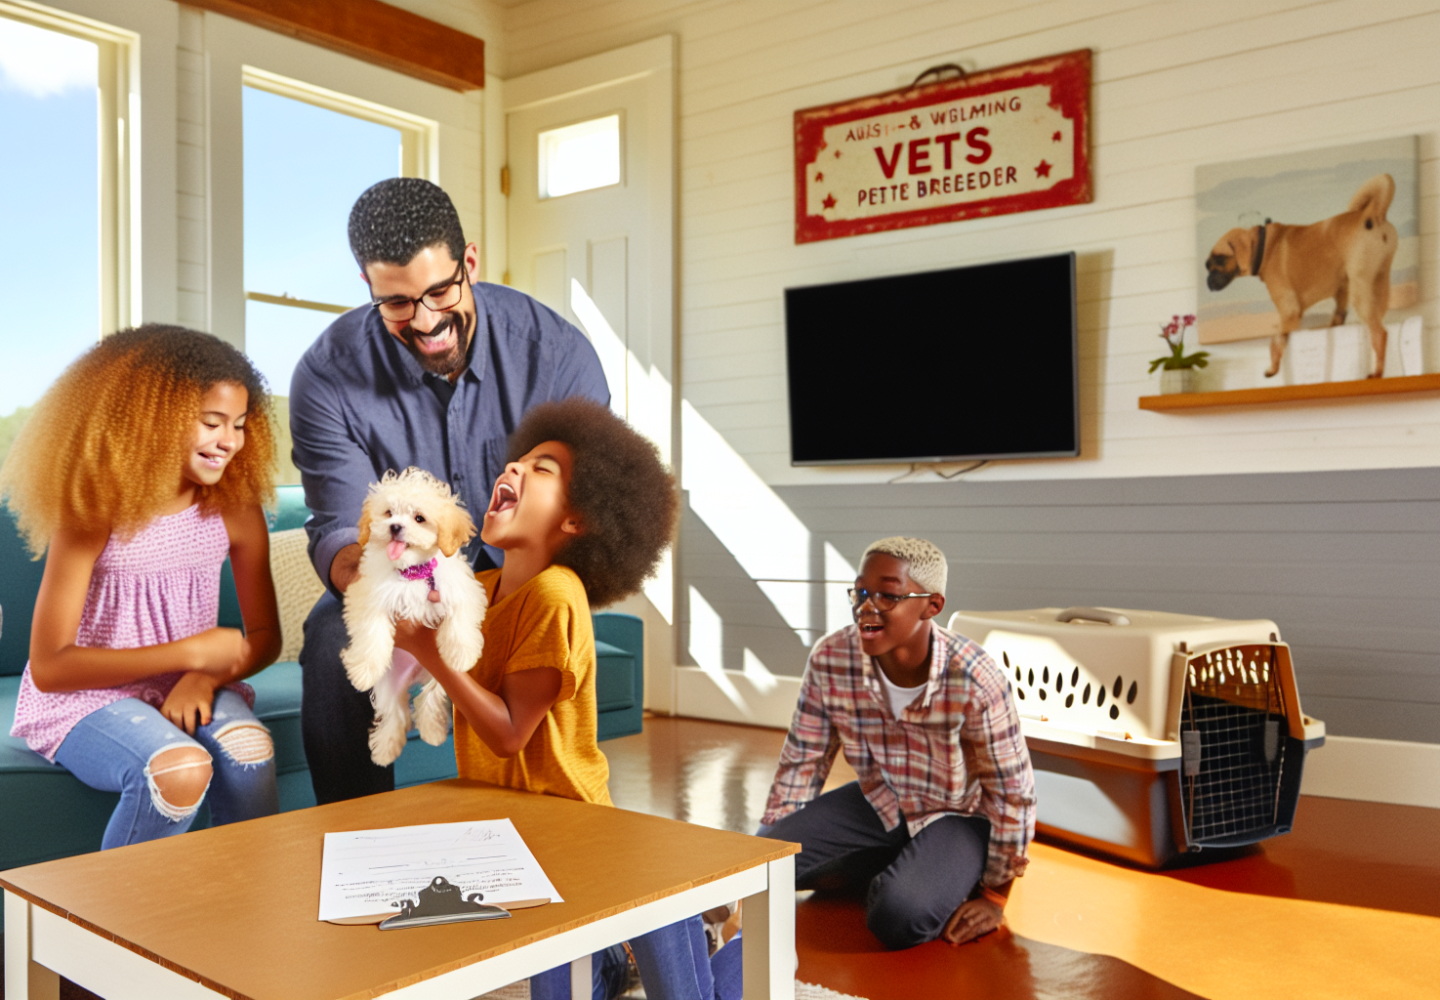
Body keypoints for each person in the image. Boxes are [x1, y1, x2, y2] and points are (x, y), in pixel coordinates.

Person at [394, 397, 738, 1000]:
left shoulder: (556, 595)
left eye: (542, 468)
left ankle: (723, 940)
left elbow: (507, 734)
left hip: (573, 830)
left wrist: (428, 653)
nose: (516, 469)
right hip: (509, 831)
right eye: (517, 460)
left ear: (577, 520)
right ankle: (636, 953)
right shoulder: (479, 588)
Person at [289, 177, 608, 805]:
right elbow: (344, 536)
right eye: (399, 303)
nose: (429, 322)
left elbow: (580, 515)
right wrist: (413, 609)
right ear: (370, 289)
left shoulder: (560, 357)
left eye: (441, 291)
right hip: (397, 579)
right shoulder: (326, 377)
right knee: (332, 643)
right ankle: (356, 844)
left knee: (548, 609)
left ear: (469, 262)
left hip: (525, 577)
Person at [2, 325, 282, 848]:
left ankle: (248, 911)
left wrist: (204, 675)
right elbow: (51, 665)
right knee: (177, 770)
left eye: (240, 425)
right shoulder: (94, 510)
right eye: (211, 422)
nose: (229, 441)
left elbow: (265, 634)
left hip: (187, 685)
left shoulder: (237, 510)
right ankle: (108, 930)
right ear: (153, 419)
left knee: (250, 751)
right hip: (84, 698)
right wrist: (191, 651)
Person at [759, 536, 1036, 950]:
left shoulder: (976, 677)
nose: (866, 608)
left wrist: (996, 897)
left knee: (897, 916)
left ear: (932, 605)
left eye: (887, 596)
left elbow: (1013, 794)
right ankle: (900, 863)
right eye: (861, 592)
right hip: (881, 800)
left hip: (959, 814)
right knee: (763, 868)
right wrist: (770, 849)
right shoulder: (831, 658)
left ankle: (932, 871)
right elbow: (803, 762)